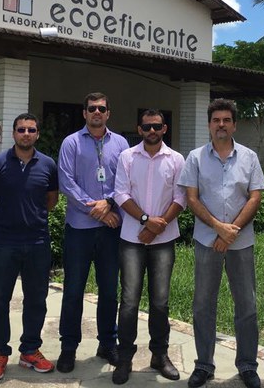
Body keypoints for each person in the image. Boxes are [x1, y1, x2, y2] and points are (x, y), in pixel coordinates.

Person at [178, 98, 264, 388]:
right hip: (207, 242)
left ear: (234, 125)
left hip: (241, 242)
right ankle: (204, 364)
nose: (221, 125)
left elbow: (255, 197)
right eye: (216, 120)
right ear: (209, 124)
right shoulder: (195, 158)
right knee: (203, 304)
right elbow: (192, 198)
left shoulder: (249, 157)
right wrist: (218, 228)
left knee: (247, 305)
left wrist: (232, 231)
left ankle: (248, 365)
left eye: (226, 120)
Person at [0, 113, 59, 381]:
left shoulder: (47, 164)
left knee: (36, 299)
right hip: (5, 243)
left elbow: (51, 199)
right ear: (14, 133)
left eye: (31, 130)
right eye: (21, 129)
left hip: (37, 242)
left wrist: (33, 218)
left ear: (37, 134)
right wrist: (2, 219)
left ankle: (30, 350)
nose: (26, 134)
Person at [111, 109, 186, 384]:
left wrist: (158, 226)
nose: (151, 130)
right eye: (146, 126)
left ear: (164, 128)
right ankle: (124, 358)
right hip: (132, 239)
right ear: (139, 129)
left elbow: (181, 197)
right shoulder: (127, 157)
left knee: (160, 302)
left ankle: (159, 355)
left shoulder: (176, 159)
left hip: (163, 240)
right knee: (129, 301)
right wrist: (146, 220)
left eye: (156, 126)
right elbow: (120, 194)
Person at [56, 92, 130, 373]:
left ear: (108, 113)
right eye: (91, 108)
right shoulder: (71, 143)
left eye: (101, 108)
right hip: (80, 229)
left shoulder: (121, 143)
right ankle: (68, 347)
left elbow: (125, 181)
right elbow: (66, 182)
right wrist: (97, 209)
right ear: (84, 113)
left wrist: (109, 203)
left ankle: (107, 343)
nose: (96, 112)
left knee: (109, 291)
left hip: (111, 230)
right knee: (73, 290)